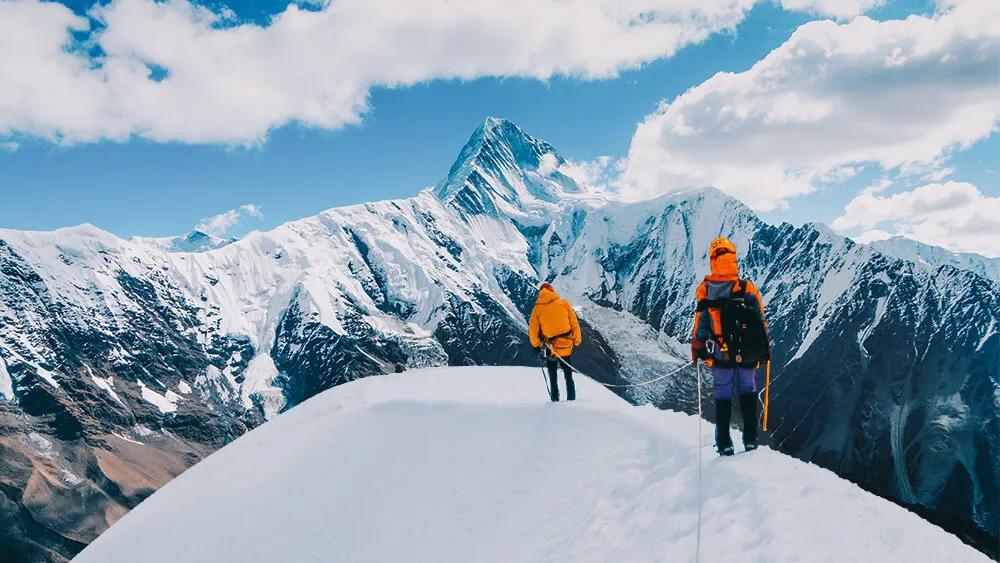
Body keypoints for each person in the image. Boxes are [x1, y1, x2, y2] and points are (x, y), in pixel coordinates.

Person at [691, 237, 771, 455]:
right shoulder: (747, 287)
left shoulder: (706, 289)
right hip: (746, 351)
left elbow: (701, 322)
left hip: (720, 350)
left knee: (723, 393)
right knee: (748, 389)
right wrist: (763, 350)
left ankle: (725, 442)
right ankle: (751, 439)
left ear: (713, 260)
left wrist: (697, 346)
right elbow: (760, 321)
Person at [529, 283, 582, 402]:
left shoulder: (537, 309)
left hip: (550, 348)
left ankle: (555, 401)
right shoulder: (564, 303)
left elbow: (533, 330)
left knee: (553, 377)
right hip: (566, 344)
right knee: (568, 375)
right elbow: (574, 324)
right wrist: (577, 340)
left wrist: (536, 346)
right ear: (552, 291)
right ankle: (572, 400)